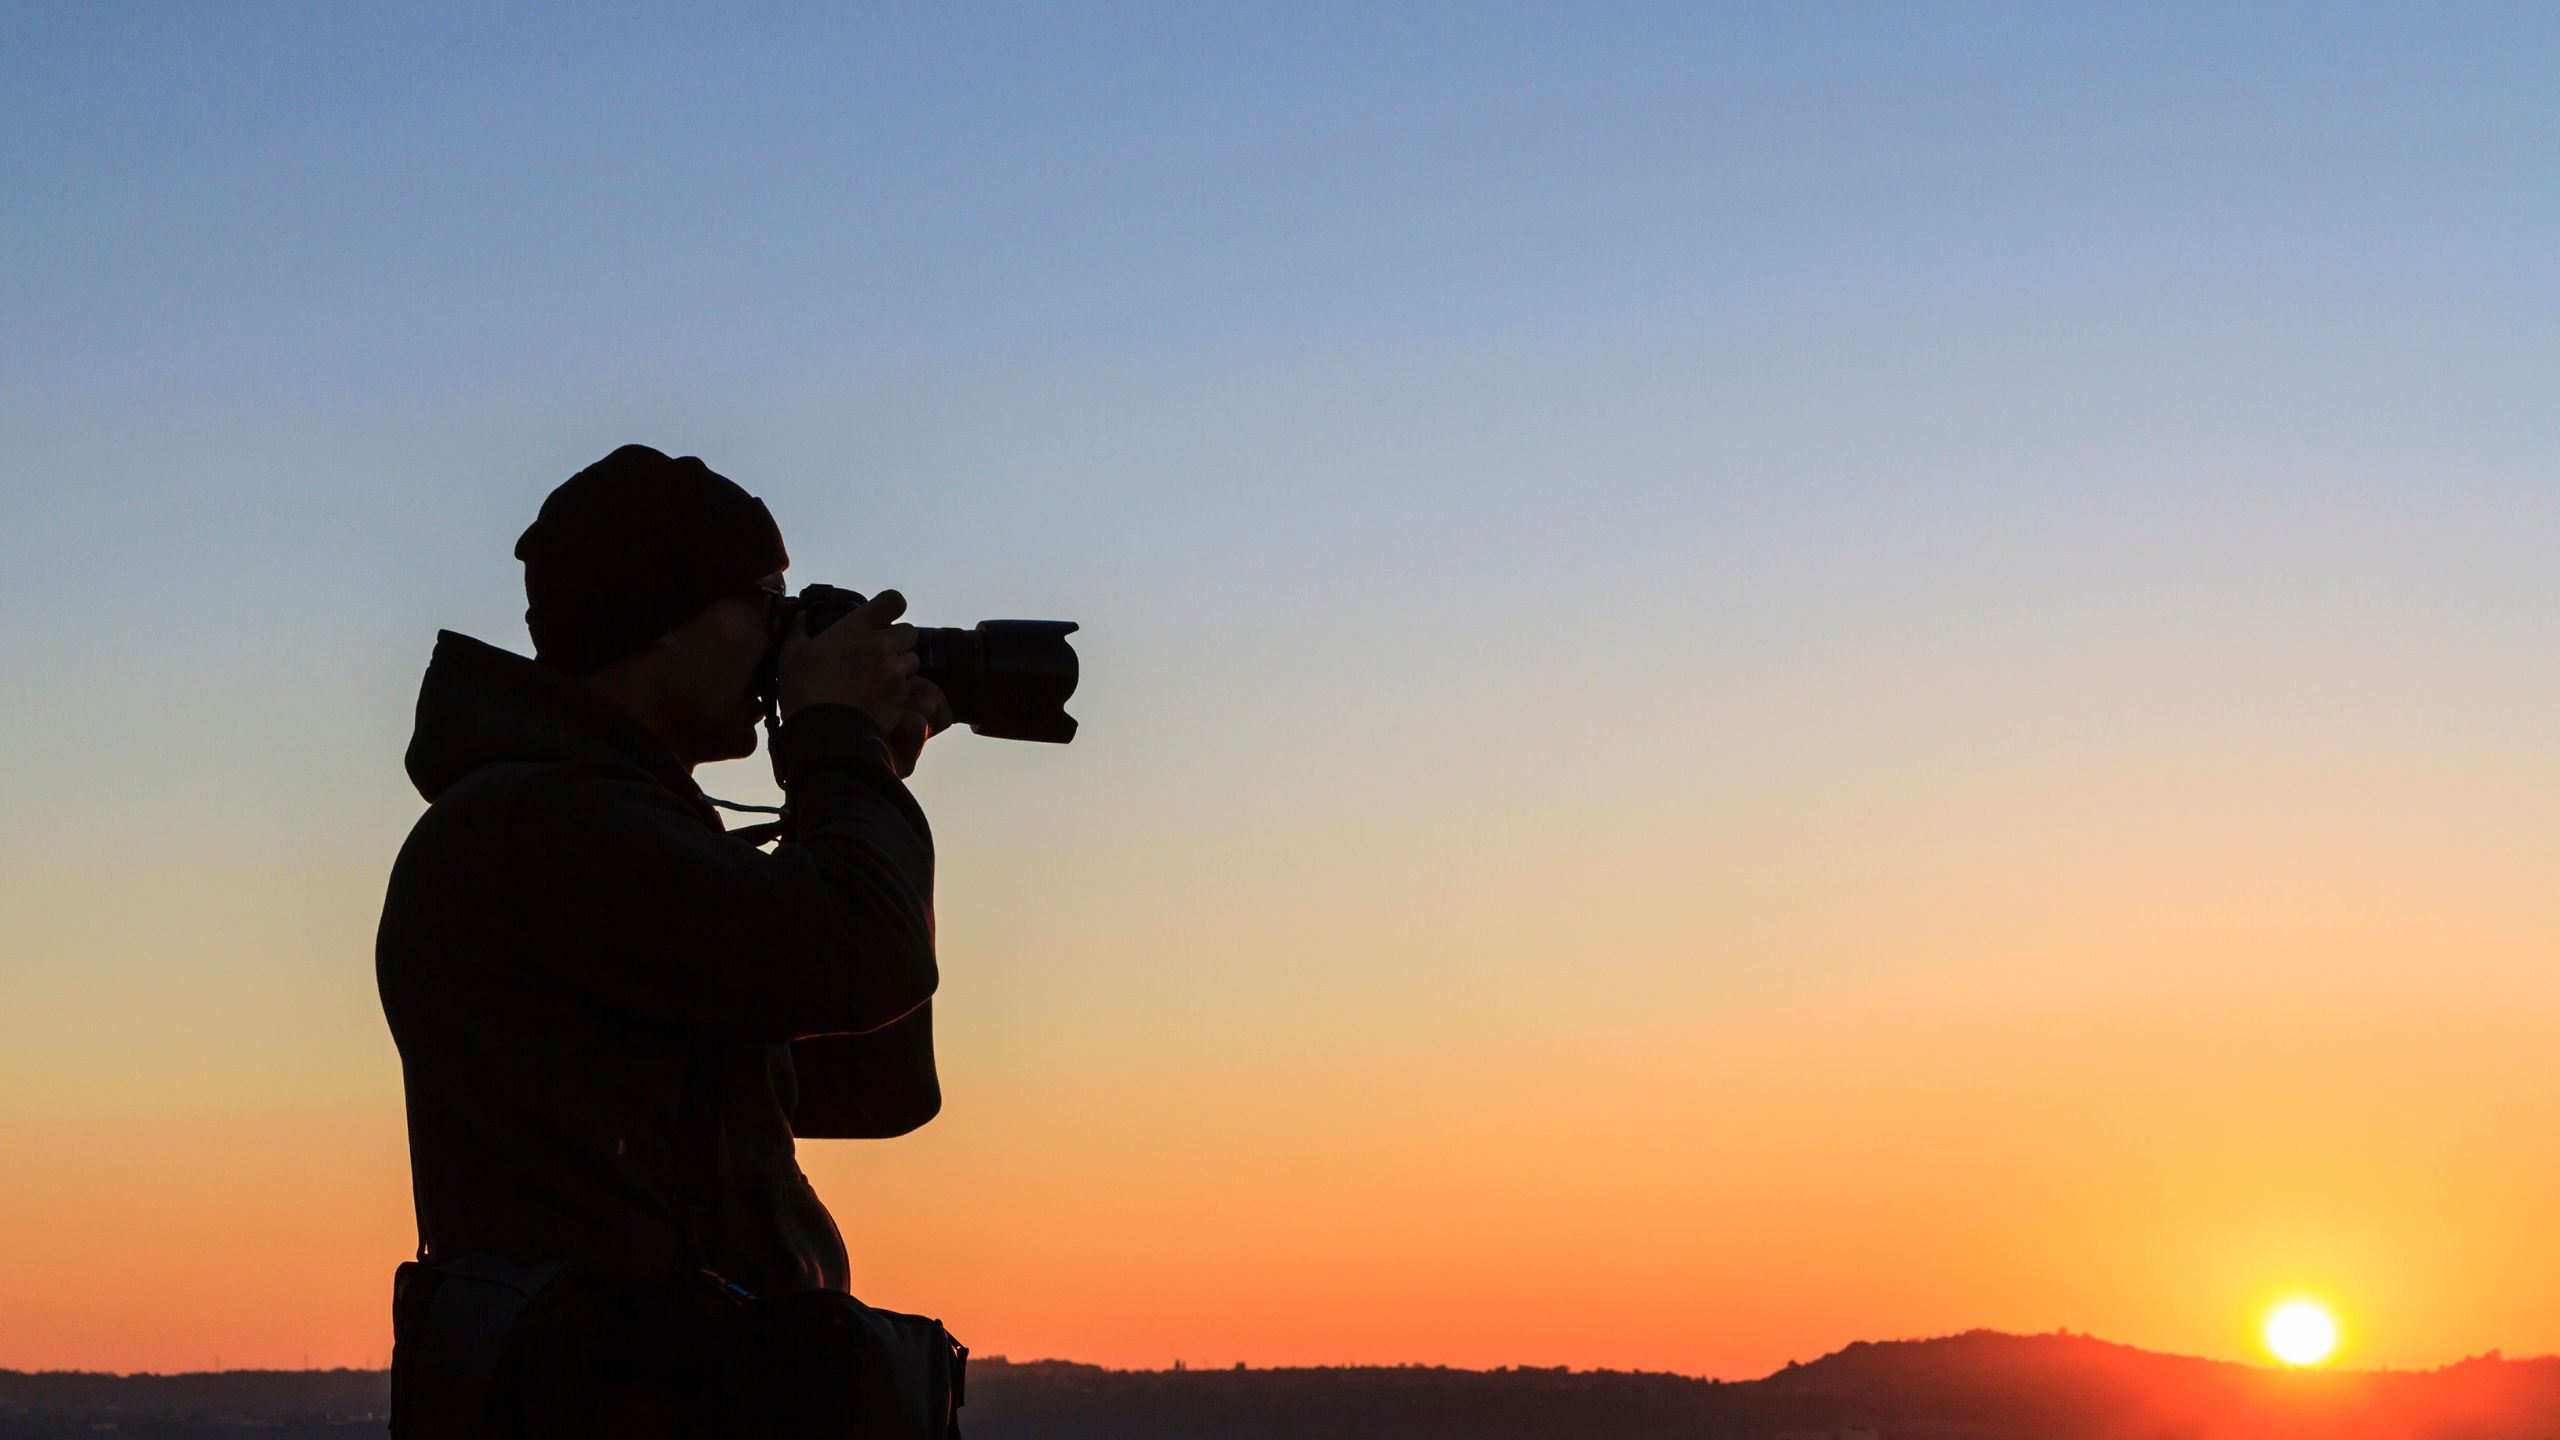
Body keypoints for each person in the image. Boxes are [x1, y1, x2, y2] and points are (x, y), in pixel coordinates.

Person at [377, 444, 954, 1434]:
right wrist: (838, 756)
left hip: (680, 1386)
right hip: (623, 1400)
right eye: (765, 598)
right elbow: (864, 956)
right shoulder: (545, 830)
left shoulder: (618, 832)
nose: (786, 633)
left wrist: (861, 774)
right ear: (660, 624)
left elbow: (876, 1083)